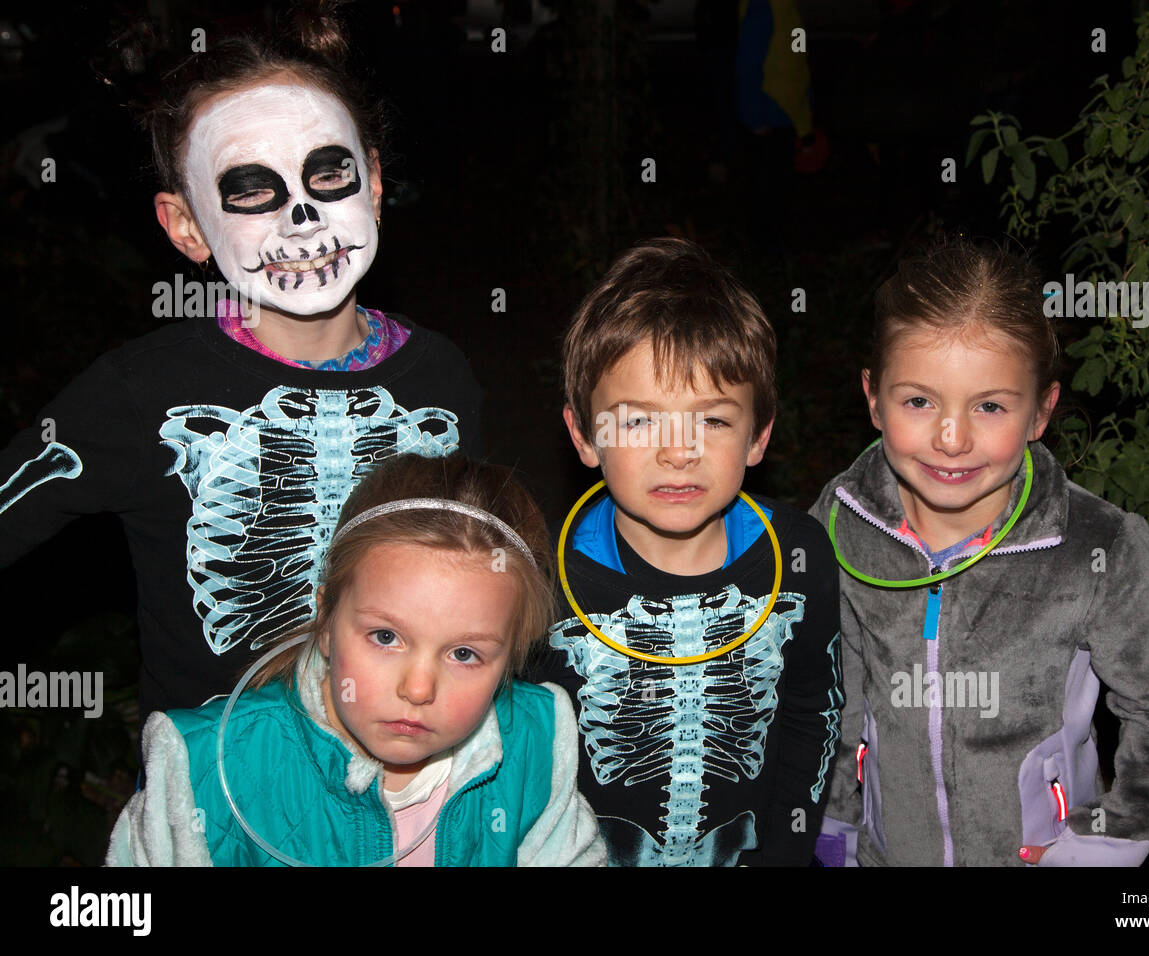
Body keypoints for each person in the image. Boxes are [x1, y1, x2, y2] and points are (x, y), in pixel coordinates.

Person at [0, 4, 482, 726]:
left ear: (374, 185)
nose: (301, 220)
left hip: (413, 794)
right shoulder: (140, 395)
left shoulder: (442, 380)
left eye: (329, 175)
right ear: (187, 227)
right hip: (216, 809)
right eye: (252, 190)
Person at [810, 239, 1149, 866]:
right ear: (873, 397)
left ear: (1041, 411)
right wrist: (835, 825)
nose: (952, 439)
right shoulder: (843, 524)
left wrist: (1103, 844)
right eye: (919, 401)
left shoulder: (1095, 546)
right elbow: (830, 687)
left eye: (991, 406)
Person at [107, 453, 604, 866]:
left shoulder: (538, 745)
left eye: (464, 653)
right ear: (326, 620)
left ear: (511, 660)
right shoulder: (205, 774)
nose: (418, 688)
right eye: (386, 636)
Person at [533, 237, 843, 866]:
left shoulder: (802, 556)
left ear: (758, 437)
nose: (679, 452)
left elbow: (814, 711)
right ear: (584, 436)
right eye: (639, 420)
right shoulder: (542, 580)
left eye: (713, 420)